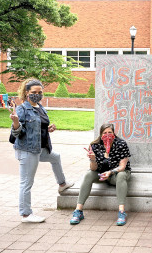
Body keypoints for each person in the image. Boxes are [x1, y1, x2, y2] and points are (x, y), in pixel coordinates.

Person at [9, 78, 74, 223]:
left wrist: (48, 129)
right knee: (26, 183)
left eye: (40, 92)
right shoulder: (22, 109)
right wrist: (15, 123)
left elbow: (38, 127)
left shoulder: (40, 107)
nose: (37, 95)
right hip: (28, 150)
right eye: (34, 92)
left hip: (39, 148)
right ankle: (26, 214)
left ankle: (62, 184)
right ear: (26, 93)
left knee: (55, 157)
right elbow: (16, 134)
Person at [70, 123, 132, 226]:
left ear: (114, 134)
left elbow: (122, 166)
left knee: (121, 175)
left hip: (117, 174)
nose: (107, 135)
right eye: (105, 133)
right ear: (100, 134)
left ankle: (122, 212)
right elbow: (93, 168)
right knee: (88, 174)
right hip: (101, 173)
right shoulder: (95, 145)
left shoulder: (121, 144)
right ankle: (78, 210)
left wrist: (111, 172)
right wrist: (93, 159)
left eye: (110, 133)